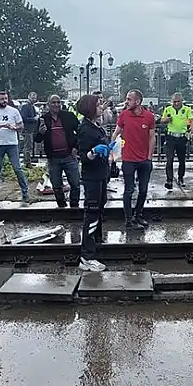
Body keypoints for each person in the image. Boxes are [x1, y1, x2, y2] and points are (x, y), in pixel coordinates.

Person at [75, 94, 111, 272]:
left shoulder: (97, 126)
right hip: (92, 178)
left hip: (101, 175)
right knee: (91, 214)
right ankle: (86, 257)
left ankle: (95, 246)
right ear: (90, 108)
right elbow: (82, 156)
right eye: (98, 105)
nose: (101, 107)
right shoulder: (85, 129)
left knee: (99, 212)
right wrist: (93, 152)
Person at [112, 89, 157, 230]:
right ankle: (128, 219)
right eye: (126, 99)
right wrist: (112, 154)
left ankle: (138, 214)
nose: (126, 101)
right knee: (128, 190)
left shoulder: (149, 116)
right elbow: (115, 134)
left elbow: (152, 137)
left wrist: (149, 157)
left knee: (143, 190)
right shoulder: (124, 115)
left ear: (137, 102)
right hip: (128, 159)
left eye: (129, 99)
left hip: (144, 159)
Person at [0, 91, 30, 205]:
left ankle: (25, 192)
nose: (4, 101)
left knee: (17, 168)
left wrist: (14, 127)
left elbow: (21, 125)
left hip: (12, 144)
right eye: (1, 99)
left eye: (5, 99)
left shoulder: (14, 111)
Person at [34, 95, 81, 208]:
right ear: (48, 104)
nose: (56, 105)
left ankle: (74, 206)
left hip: (69, 156)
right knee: (56, 186)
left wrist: (76, 147)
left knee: (75, 184)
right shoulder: (43, 119)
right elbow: (37, 139)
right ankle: (61, 207)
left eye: (58, 102)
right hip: (53, 158)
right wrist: (40, 132)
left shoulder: (68, 116)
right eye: (53, 102)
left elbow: (80, 132)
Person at [160, 93, 193, 190]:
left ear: (181, 101)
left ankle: (180, 178)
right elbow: (162, 121)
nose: (176, 103)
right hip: (170, 137)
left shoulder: (187, 109)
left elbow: (191, 121)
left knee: (181, 160)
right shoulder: (168, 109)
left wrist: (192, 131)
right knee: (169, 159)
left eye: (178, 101)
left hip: (182, 138)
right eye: (174, 101)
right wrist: (167, 119)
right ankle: (169, 180)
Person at [19, 92, 39, 166]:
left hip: (30, 129)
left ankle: (28, 161)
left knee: (29, 145)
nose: (34, 99)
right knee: (28, 146)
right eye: (33, 98)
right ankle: (27, 162)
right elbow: (23, 118)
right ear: (29, 97)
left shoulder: (31, 106)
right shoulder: (26, 106)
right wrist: (33, 119)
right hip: (27, 129)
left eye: (35, 98)